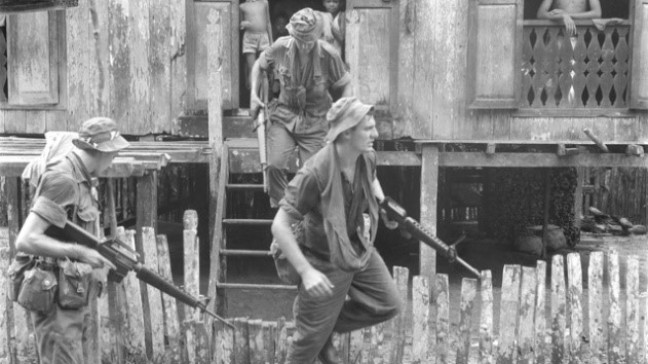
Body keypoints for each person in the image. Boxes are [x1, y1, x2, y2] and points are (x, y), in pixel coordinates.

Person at [271, 97, 401, 364]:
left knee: (389, 303)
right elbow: (279, 226)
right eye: (368, 129)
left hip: (354, 246)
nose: (375, 134)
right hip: (322, 258)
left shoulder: (366, 156)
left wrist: (382, 204)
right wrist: (307, 273)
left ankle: (324, 325)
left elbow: (372, 177)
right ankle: (317, 326)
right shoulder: (314, 172)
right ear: (346, 132)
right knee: (305, 348)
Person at [15, 117, 128, 364]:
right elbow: (26, 239)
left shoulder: (83, 181)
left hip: (72, 291)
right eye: (113, 155)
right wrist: (81, 252)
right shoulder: (63, 179)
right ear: (99, 151)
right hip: (54, 296)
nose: (113, 161)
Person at [250, 7, 353, 208]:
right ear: (292, 34)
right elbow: (258, 66)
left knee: (314, 174)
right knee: (274, 165)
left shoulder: (329, 54)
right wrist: (254, 95)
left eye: (309, 40)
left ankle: (305, 214)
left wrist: (342, 110)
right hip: (285, 115)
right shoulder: (280, 47)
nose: (305, 45)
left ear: (316, 36)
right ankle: (284, 210)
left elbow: (346, 84)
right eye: (300, 39)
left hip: (316, 120)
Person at [240, 0, 273, 90]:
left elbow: (268, 22)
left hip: (263, 37)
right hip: (249, 38)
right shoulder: (243, 6)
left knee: (264, 68)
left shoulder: (264, 3)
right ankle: (254, 97)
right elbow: (240, 24)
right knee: (253, 69)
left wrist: (271, 42)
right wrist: (244, 24)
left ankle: (264, 100)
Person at [537, 0, 602, 35]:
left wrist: (567, 15)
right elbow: (540, 14)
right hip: (557, 35)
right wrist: (562, 16)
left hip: (579, 36)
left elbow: (597, 13)